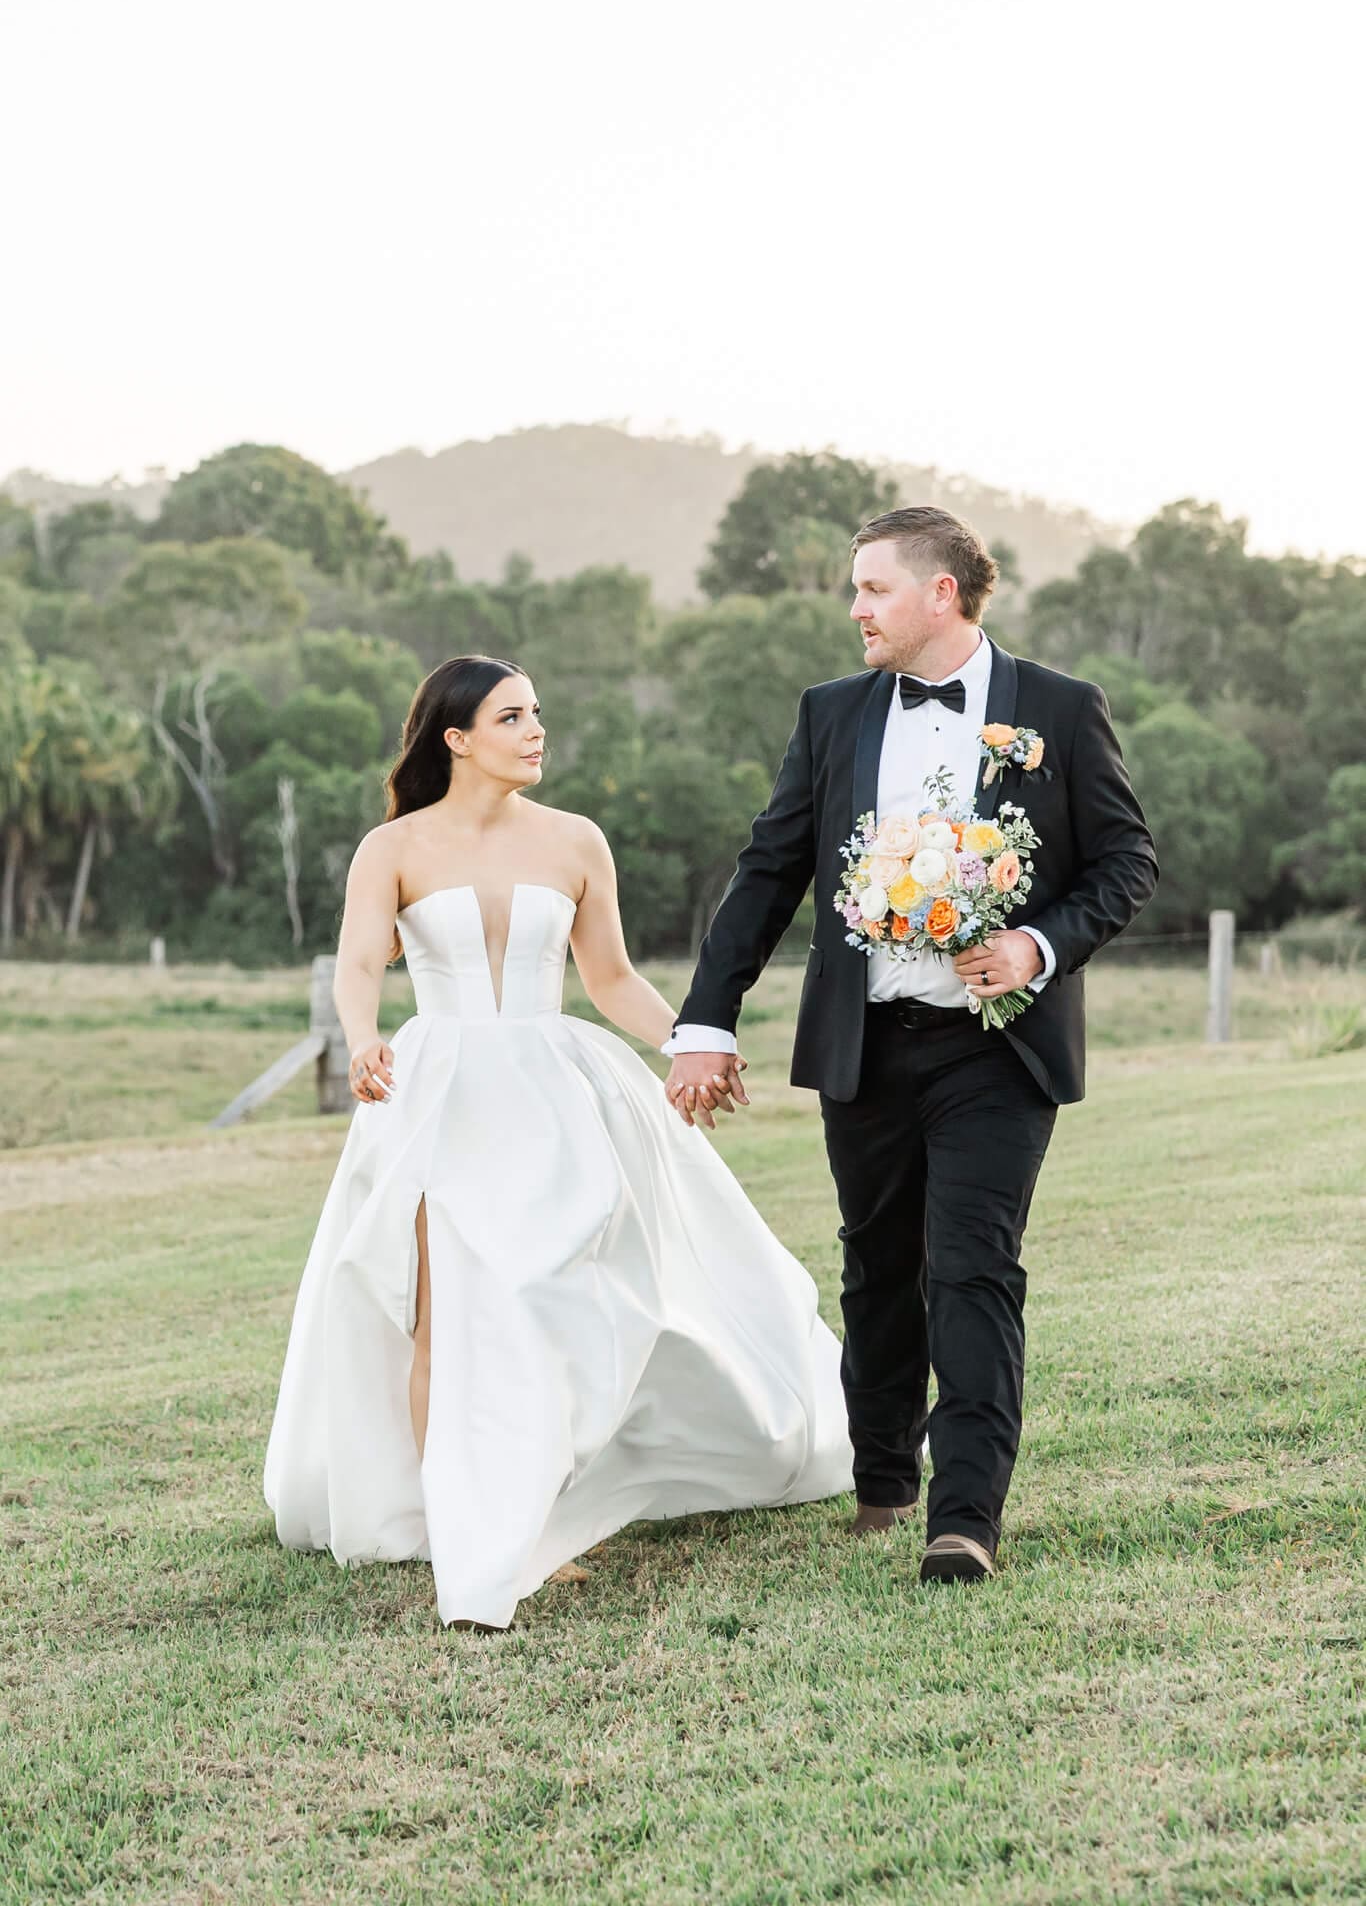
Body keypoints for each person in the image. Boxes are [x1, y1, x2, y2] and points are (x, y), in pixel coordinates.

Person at [263, 655, 853, 1629]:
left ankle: (550, 1496)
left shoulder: (576, 840)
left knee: (556, 1290)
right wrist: (365, 1038)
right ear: (456, 738)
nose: (536, 729)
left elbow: (611, 975)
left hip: (551, 1086)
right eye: (512, 715)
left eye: (538, 711)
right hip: (439, 1090)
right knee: (439, 1307)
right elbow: (361, 959)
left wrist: (688, 1041)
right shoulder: (394, 846)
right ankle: (466, 1523)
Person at [664, 506, 1158, 1583]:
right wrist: (705, 1018)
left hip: (998, 1048)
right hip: (867, 1044)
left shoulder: (1061, 711)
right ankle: (883, 1480)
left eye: (872, 588)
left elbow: (1125, 863)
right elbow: (768, 870)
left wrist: (1037, 943)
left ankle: (963, 1518)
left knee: (974, 1268)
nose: (854, 608)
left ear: (942, 593)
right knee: (878, 1267)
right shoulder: (831, 713)